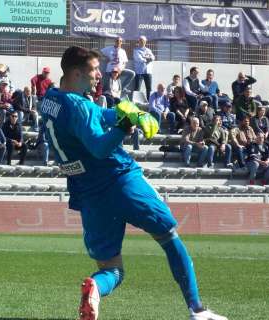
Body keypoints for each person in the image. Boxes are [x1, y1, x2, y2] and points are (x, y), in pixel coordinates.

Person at [40, 45, 226, 320]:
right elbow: (99, 147)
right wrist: (124, 127)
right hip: (120, 179)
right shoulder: (79, 106)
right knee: (168, 235)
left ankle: (94, 288)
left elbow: (91, 115)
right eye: (93, 70)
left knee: (112, 269)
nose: (98, 75)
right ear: (77, 72)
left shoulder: (50, 99)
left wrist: (125, 113)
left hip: (89, 193)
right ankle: (197, 309)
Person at [132, 35, 155, 100]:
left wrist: (148, 58)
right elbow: (139, 59)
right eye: (140, 41)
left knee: (149, 88)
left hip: (148, 72)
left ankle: (149, 102)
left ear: (145, 42)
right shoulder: (136, 50)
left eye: (143, 41)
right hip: (139, 72)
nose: (142, 42)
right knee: (137, 88)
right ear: (138, 42)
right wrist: (147, 59)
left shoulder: (148, 50)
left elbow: (153, 57)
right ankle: (135, 102)